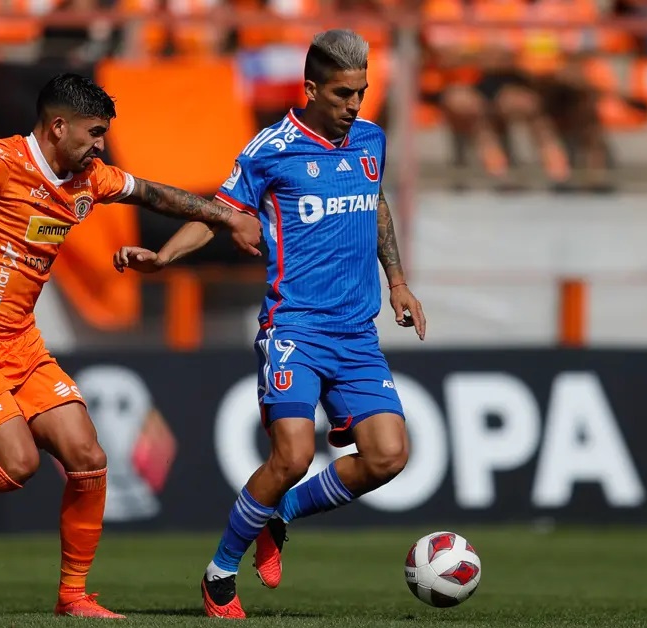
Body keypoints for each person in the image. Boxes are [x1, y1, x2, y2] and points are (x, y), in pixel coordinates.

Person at [0, 72, 261, 619]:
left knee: (88, 456)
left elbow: (152, 193)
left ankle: (73, 596)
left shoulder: (88, 180)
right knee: (19, 462)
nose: (101, 145)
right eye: (95, 133)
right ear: (58, 127)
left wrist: (224, 215)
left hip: (21, 342)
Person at [113, 29, 426, 619]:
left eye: (360, 92)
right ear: (310, 89)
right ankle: (219, 573)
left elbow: (376, 204)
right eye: (342, 94)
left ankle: (277, 516)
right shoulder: (271, 149)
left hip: (356, 333)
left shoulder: (370, 139)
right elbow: (218, 216)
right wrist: (163, 258)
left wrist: (399, 283)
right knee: (291, 457)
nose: (354, 105)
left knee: (388, 456)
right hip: (296, 328)